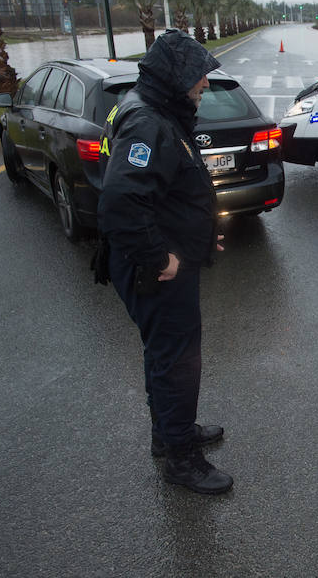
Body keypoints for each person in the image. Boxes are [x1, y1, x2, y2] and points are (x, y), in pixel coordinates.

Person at [96, 29, 232, 495]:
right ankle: (181, 459)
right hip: (153, 269)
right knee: (176, 361)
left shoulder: (154, 109)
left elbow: (164, 192)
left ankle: (169, 432)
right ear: (175, 76)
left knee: (164, 353)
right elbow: (121, 202)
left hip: (161, 257)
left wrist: (197, 234)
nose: (205, 83)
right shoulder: (148, 122)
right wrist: (160, 258)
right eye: (198, 75)